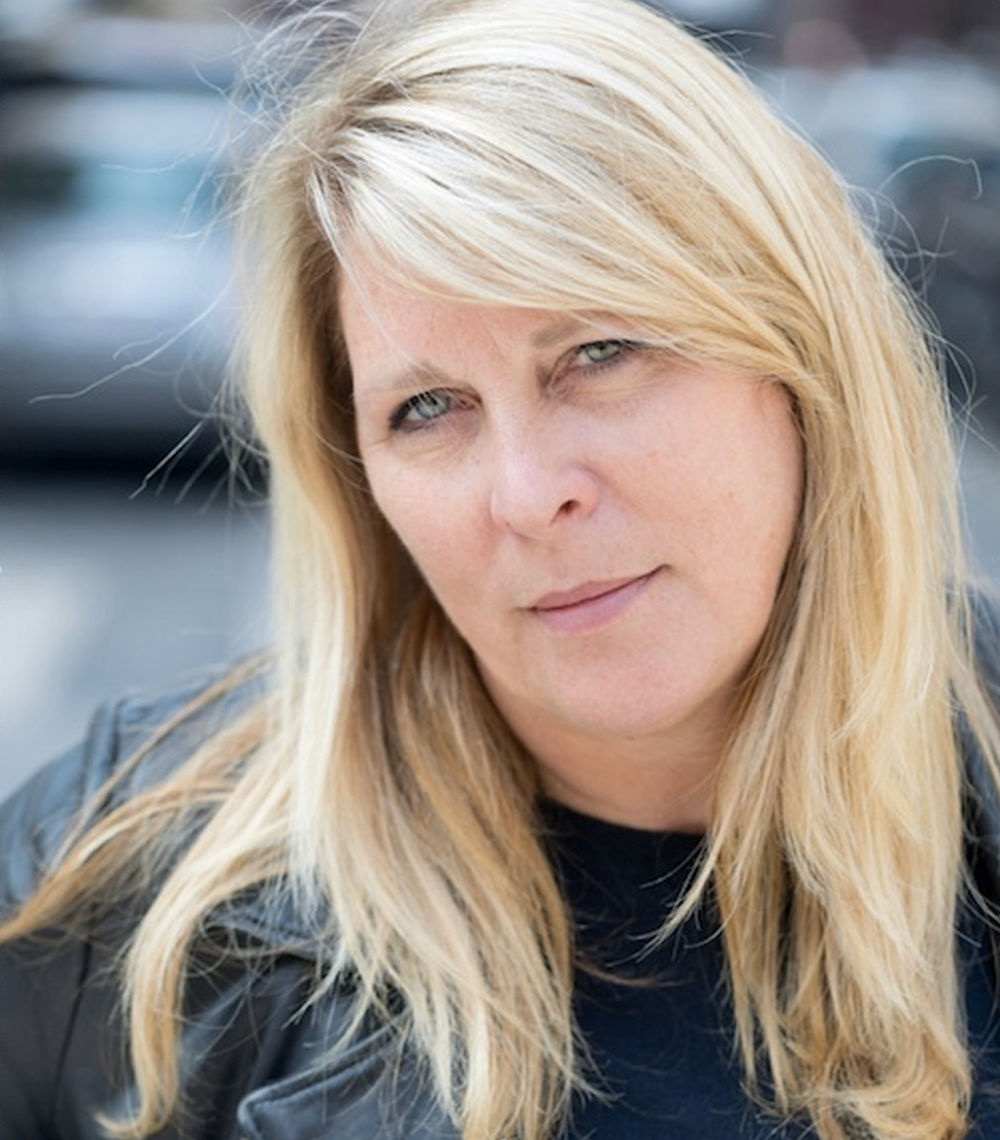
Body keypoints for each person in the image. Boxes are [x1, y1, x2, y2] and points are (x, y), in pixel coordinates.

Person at [2, 0, 1000, 1137]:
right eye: (428, 408)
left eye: (599, 352)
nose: (527, 496)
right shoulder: (118, 884)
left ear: (802, 357)